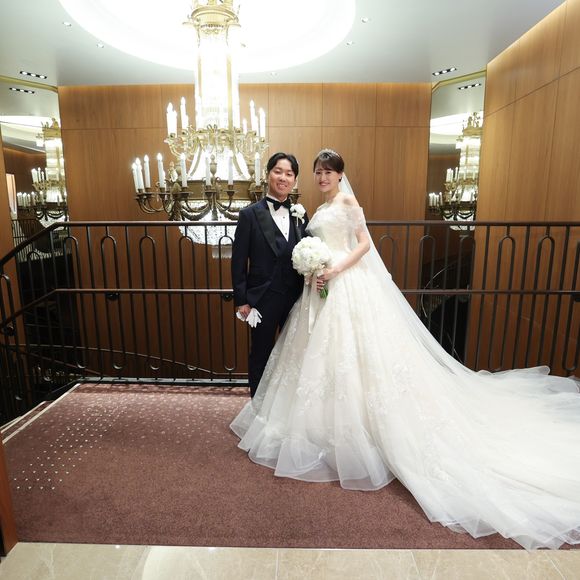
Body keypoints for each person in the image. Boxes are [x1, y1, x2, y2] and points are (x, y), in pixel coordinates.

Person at [231, 148, 580, 550]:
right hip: (317, 292)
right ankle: (313, 426)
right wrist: (313, 270)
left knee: (355, 357)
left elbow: (364, 244)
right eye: (318, 172)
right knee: (315, 359)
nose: (323, 177)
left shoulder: (347, 203)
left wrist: (335, 268)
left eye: (328, 172)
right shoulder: (315, 209)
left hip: (346, 286)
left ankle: (359, 429)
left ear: (341, 175)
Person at [231, 152, 309, 397]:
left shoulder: (300, 214)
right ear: (268, 174)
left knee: (292, 353)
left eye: (289, 174)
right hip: (262, 298)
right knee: (261, 353)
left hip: (295, 297)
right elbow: (238, 261)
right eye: (278, 171)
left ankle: (284, 406)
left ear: (294, 180)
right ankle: (258, 406)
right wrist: (241, 300)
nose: (283, 178)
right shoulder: (249, 215)